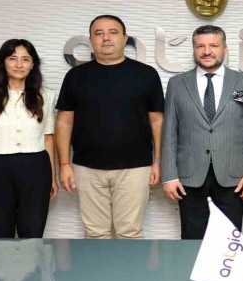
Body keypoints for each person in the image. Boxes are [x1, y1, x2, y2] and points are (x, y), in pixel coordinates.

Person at [56, 15, 164, 239]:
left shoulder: (146, 75)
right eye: (99, 33)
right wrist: (64, 164)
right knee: (95, 234)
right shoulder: (76, 76)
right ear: (91, 40)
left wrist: (158, 161)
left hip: (135, 168)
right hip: (86, 167)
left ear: (125, 38)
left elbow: (157, 120)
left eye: (113, 32)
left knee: (130, 232)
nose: (106, 38)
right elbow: (64, 121)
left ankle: (130, 267)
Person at [161, 25, 243, 238]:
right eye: (200, 46)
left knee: (229, 241)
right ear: (194, 49)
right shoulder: (177, 84)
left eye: (213, 45)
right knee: (192, 240)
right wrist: (168, 176)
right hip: (189, 177)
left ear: (225, 49)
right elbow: (169, 133)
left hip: (233, 177)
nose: (207, 51)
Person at [0, 39, 57, 238]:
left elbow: (48, 138)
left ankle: (32, 261)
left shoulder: (46, 95)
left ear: (33, 64)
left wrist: (52, 177)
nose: (19, 64)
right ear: (3, 62)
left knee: (32, 233)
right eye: (13, 58)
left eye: (25, 59)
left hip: (36, 168)